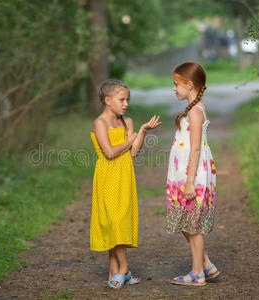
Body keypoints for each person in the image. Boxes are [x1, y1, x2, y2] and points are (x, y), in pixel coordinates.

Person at [90, 79, 161, 289]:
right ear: (107, 100)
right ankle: (124, 268)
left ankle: (116, 270)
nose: (126, 104)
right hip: (107, 176)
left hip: (124, 176)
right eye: (121, 99)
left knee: (119, 220)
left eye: (127, 99)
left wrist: (143, 131)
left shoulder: (127, 122)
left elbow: (134, 152)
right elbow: (110, 152)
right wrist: (129, 141)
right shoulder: (100, 123)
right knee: (112, 221)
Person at [166, 62, 220, 286]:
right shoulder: (191, 109)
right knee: (184, 220)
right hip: (183, 173)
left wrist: (190, 182)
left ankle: (197, 273)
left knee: (193, 224)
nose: (173, 89)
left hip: (193, 175)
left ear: (189, 85)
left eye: (176, 84)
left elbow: (196, 148)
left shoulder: (196, 112)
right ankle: (205, 264)